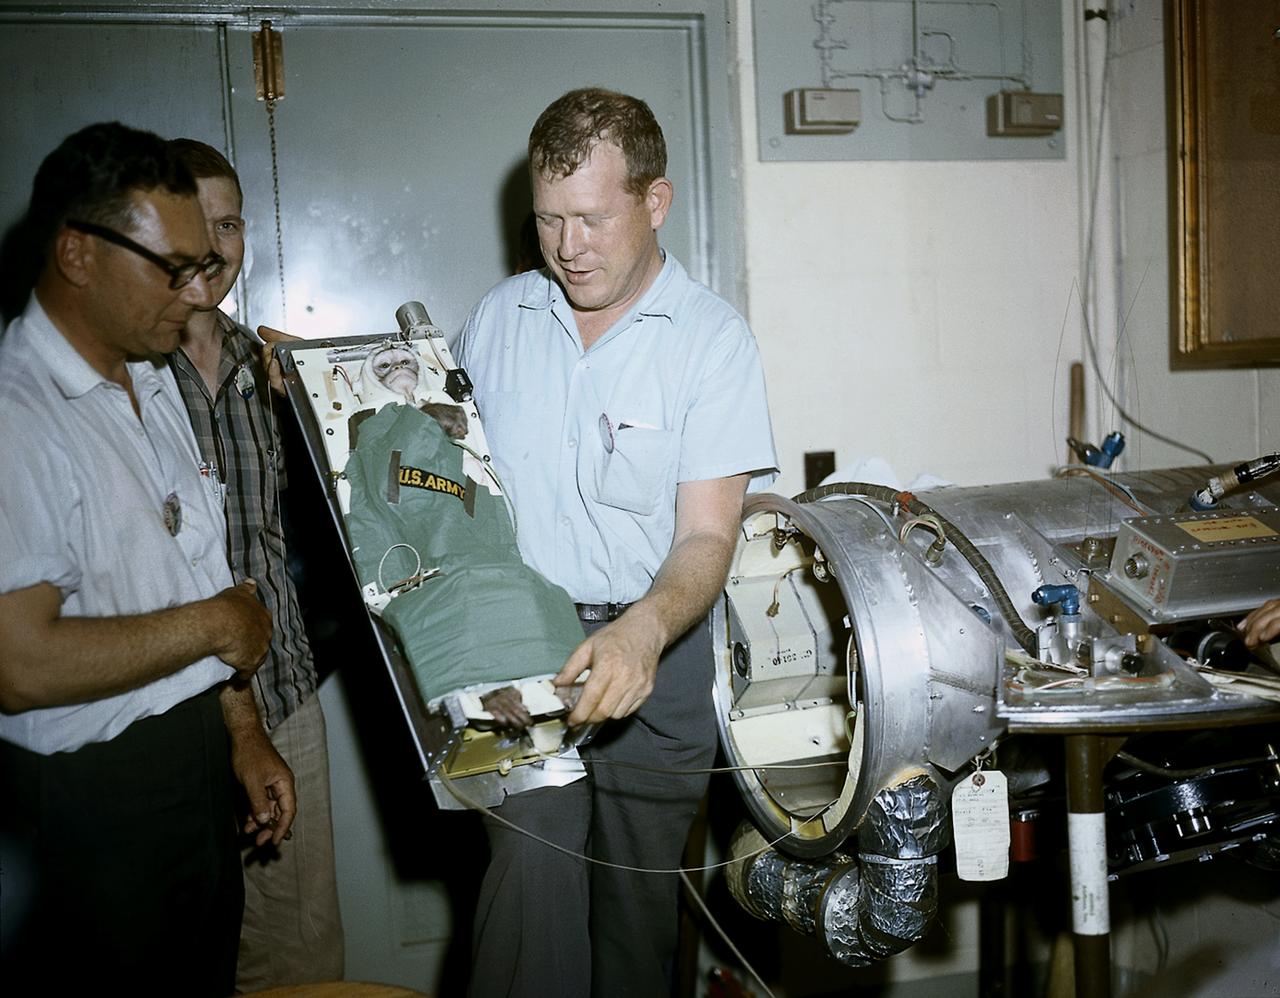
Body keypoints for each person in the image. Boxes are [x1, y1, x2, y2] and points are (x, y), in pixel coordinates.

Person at [455, 88, 777, 998]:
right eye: (549, 221)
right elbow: (457, 499)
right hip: (524, 655)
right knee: (533, 880)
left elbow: (708, 536)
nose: (568, 248)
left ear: (655, 202)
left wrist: (643, 628)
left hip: (659, 665)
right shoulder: (498, 320)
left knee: (636, 928)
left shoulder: (712, 343)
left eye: (592, 219)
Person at [0, 121, 288, 995]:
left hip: (193, 768)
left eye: (206, 262)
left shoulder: (152, 374)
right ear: (78, 254)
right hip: (90, 802)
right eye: (174, 268)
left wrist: (242, 734)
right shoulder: (19, 414)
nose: (199, 289)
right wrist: (215, 625)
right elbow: (19, 663)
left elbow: (196, 563)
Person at [166, 138, 345, 989]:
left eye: (229, 222)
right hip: (165, 711)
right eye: (192, 221)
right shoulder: (124, 374)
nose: (213, 244)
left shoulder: (264, 367)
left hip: (282, 696)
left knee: (301, 958)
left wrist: (318, 408)